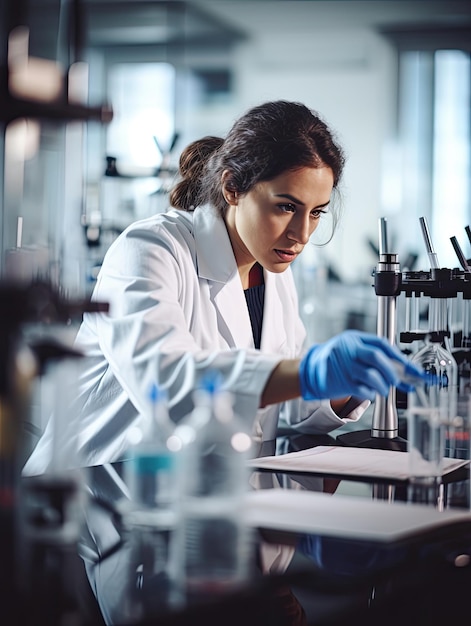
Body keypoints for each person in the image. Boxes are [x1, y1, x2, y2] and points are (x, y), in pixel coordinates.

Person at [23, 100, 423, 625]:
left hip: (234, 519)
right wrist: (307, 371)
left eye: (317, 212)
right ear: (233, 187)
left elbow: (280, 408)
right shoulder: (150, 249)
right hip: (130, 515)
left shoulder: (273, 274)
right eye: (285, 206)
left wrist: (345, 392)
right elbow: (166, 382)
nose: (301, 234)